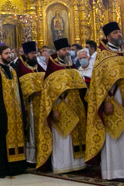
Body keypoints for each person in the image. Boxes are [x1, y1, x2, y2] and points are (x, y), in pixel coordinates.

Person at [84, 22, 124, 181]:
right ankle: (114, 171)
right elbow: (99, 82)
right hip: (113, 99)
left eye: (120, 32)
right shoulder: (102, 56)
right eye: (116, 32)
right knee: (115, 135)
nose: (119, 35)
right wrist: (106, 101)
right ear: (108, 36)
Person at [34, 38, 88, 173]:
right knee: (63, 138)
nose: (67, 52)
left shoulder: (72, 66)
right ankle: (62, 165)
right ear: (58, 52)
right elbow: (49, 94)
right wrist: (54, 110)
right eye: (64, 50)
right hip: (61, 107)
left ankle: (77, 164)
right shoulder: (53, 68)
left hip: (75, 106)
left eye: (68, 49)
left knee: (75, 136)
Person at [0, 44, 27, 178]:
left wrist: (22, 110)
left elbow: (18, 92)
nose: (9, 56)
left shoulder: (13, 71)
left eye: (9, 53)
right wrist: (0, 115)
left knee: (17, 138)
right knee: (2, 140)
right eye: (6, 54)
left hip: (16, 113)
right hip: (2, 114)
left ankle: (17, 166)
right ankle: (2, 167)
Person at [14, 41, 45, 165]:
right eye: (32, 53)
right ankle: (30, 157)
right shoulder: (20, 68)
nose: (35, 55)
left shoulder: (38, 66)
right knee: (30, 129)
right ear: (26, 55)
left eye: (35, 53)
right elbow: (17, 86)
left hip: (40, 103)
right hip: (28, 104)